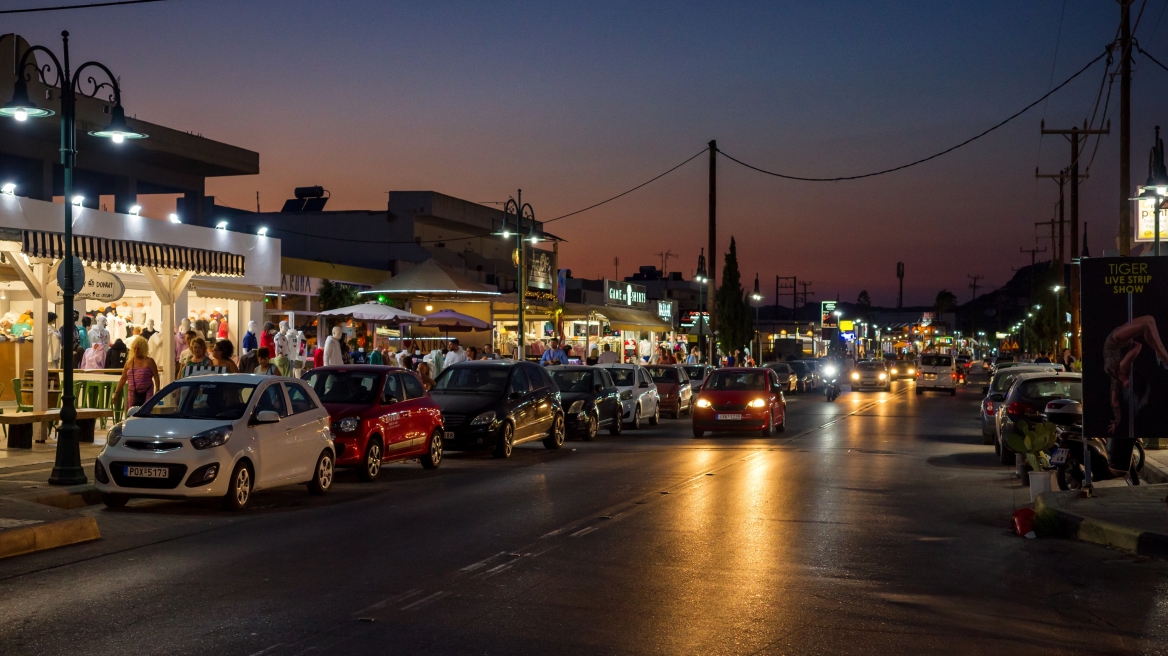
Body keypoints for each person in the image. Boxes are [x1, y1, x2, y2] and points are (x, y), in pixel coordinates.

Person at [1103, 315, 1168, 433]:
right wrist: (1131, 341)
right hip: (1118, 340)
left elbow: (1114, 401)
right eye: (1131, 386)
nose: (1127, 386)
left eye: (1127, 387)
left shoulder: (1118, 377)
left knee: (1147, 324)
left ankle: (1161, 353)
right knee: (1150, 320)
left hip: (1114, 339)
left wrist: (1117, 420)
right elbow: (1138, 347)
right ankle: (1161, 352)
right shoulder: (1122, 370)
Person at [114, 336, 160, 409]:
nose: (136, 350)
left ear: (143, 349)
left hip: (147, 392)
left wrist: (157, 390)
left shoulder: (149, 361)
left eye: (138, 349)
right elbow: (123, 379)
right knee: (132, 412)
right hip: (132, 394)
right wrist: (116, 393)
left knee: (146, 412)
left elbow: (156, 376)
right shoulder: (129, 363)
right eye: (134, 348)